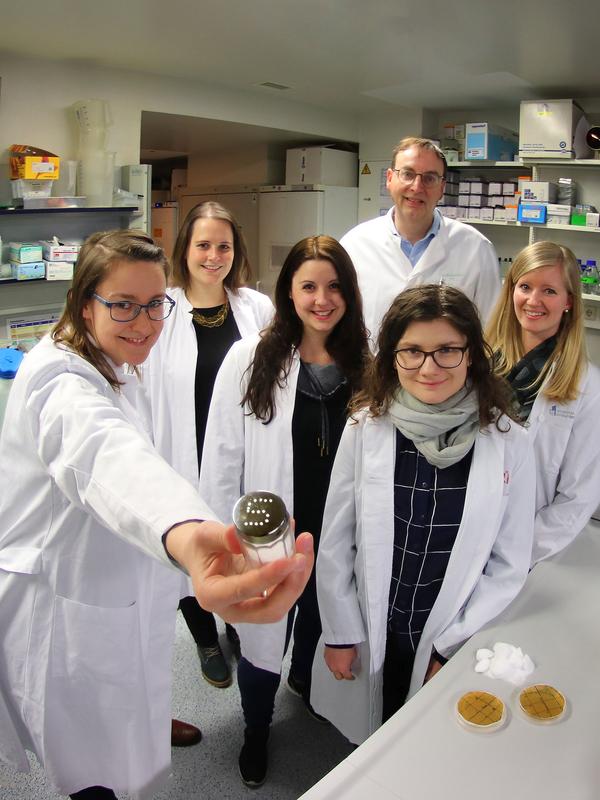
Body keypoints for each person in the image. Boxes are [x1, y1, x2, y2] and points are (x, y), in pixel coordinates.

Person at [0, 230, 313, 800]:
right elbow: (105, 457)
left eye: (153, 305)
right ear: (83, 301)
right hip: (68, 601)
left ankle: (150, 723)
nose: (144, 322)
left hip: (122, 579)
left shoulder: (117, 358)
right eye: (122, 304)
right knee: (95, 762)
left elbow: (141, 454)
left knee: (131, 695)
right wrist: (188, 534)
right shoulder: (58, 380)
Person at [310, 284, 535, 746]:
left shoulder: (509, 441)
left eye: (447, 350)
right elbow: (335, 540)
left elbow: (508, 564)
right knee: (372, 742)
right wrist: (339, 632)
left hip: (447, 632)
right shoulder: (366, 428)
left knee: (431, 748)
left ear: (471, 354)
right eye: (411, 351)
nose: (429, 368)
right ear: (392, 356)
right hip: (375, 625)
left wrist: (452, 646)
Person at [199, 235, 370, 786]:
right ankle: (256, 728)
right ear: (289, 293)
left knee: (323, 618)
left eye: (334, 286)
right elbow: (223, 454)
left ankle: (304, 681)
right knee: (264, 635)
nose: (323, 299)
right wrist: (221, 539)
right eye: (309, 286)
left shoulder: (364, 361)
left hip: (337, 529)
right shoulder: (252, 357)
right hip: (272, 530)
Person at [146, 201, 274, 688]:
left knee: (238, 542)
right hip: (179, 450)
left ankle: (237, 622)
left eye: (224, 245)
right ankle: (204, 637)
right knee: (185, 552)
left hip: (239, 452)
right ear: (185, 249)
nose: (214, 255)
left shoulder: (256, 308)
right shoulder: (163, 309)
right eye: (203, 244)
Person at [486, 241, 600, 565]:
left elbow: (578, 499)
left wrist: (513, 551)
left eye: (549, 291)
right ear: (511, 291)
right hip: (461, 533)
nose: (533, 301)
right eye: (525, 286)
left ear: (569, 302)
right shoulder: (479, 365)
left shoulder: (586, 387)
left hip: (525, 551)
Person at [340, 137, 501, 344]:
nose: (417, 187)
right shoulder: (354, 245)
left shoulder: (476, 248)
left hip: (446, 375)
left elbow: (490, 330)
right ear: (389, 179)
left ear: (442, 187)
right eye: (407, 174)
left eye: (429, 178)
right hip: (371, 373)